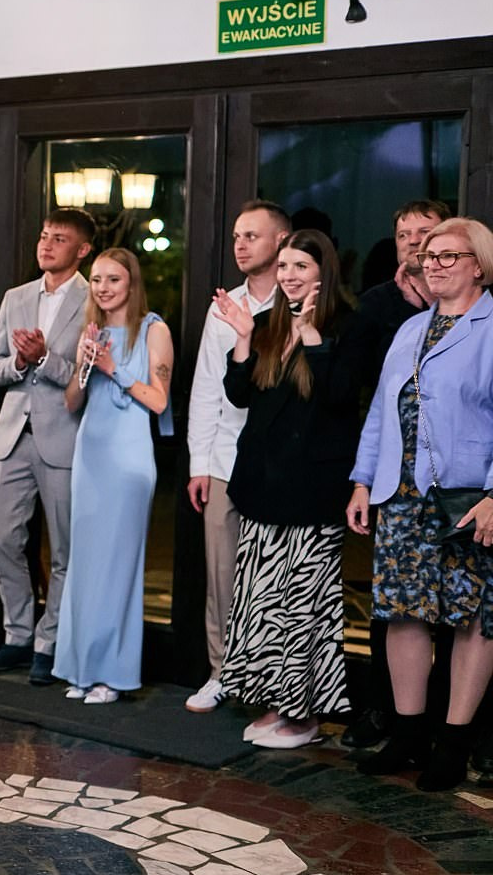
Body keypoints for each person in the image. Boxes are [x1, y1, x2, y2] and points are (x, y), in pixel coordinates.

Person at [347, 217, 493, 791]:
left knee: (472, 617)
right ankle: (408, 736)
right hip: (402, 495)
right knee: (403, 612)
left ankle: (452, 744)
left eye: (448, 256)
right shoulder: (412, 327)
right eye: (429, 256)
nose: (433, 264)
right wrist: (363, 481)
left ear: (479, 266)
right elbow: (381, 412)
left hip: (465, 499)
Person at [213, 230, 359, 748]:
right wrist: (243, 337)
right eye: (284, 266)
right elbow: (239, 395)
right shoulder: (267, 322)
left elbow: (340, 399)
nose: (290, 276)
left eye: (301, 266)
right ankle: (275, 706)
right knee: (262, 606)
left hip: (313, 494)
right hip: (262, 488)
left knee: (302, 609)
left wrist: (313, 339)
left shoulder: (347, 324)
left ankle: (304, 717)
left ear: (324, 272)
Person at [342, 199, 451, 749]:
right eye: (404, 233)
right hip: (396, 477)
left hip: (455, 483)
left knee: (454, 610)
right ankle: (388, 715)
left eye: (424, 232)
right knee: (394, 609)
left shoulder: (476, 314)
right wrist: (362, 478)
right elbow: (366, 395)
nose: (414, 242)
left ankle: (451, 727)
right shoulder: (378, 306)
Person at [0, 209, 92, 685]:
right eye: (44, 235)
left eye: (59, 238)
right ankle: (18, 634)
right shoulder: (16, 297)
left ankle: (50, 643)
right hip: (11, 437)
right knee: (2, 539)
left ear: (82, 250)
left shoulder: (93, 300)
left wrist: (44, 359)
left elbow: (88, 377)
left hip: (64, 436)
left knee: (65, 548)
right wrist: (21, 364)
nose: (46, 244)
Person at [54, 248, 174, 704]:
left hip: (129, 458)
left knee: (117, 566)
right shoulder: (93, 330)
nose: (103, 288)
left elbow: (159, 401)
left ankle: (113, 674)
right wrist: (84, 366)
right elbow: (71, 402)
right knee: (86, 564)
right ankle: (81, 669)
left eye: (113, 279)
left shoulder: (154, 330)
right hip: (91, 454)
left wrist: (113, 368)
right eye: (98, 280)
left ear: (131, 283)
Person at [183, 200, 290, 712]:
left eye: (252, 235)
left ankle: (270, 681)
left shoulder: (299, 301)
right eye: (236, 237)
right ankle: (220, 672)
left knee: (275, 576)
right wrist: (199, 464)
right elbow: (206, 387)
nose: (240, 245)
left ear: (281, 241)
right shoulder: (223, 305)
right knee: (222, 574)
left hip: (279, 462)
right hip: (225, 457)